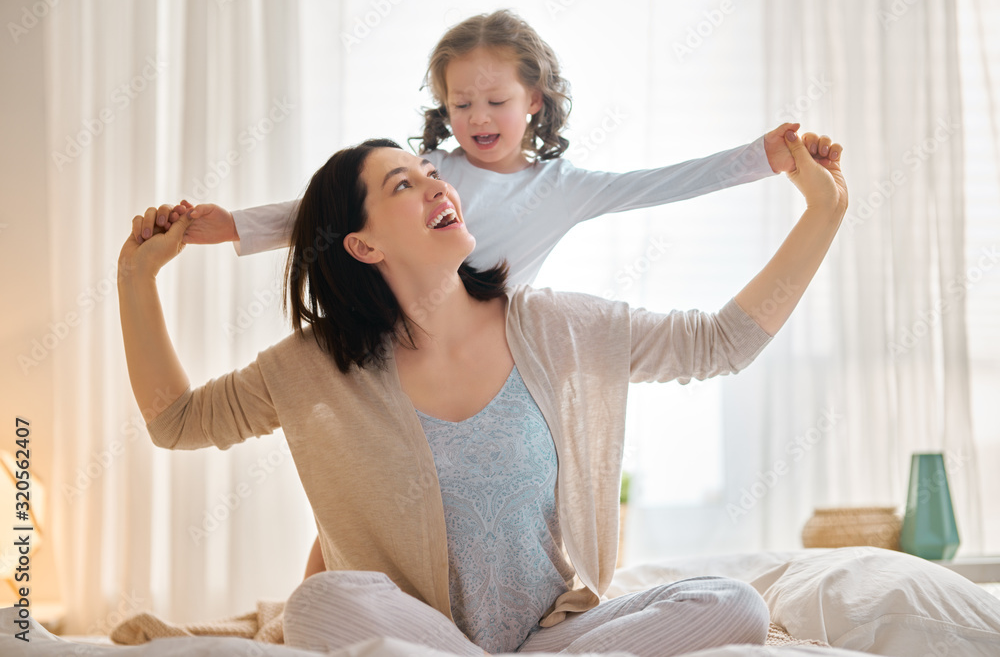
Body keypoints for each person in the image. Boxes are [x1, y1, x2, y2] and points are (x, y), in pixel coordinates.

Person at [118, 126, 847, 656]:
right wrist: (135, 279)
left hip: (551, 637)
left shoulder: (555, 326)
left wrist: (824, 213)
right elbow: (177, 422)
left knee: (734, 602)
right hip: (417, 634)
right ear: (363, 245)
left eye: (431, 172)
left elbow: (719, 342)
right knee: (320, 600)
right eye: (403, 183)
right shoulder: (316, 368)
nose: (439, 184)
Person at [135, 9, 808, 287]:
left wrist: (761, 157)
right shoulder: (431, 174)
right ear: (443, 107)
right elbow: (330, 209)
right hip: (399, 344)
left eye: (496, 102)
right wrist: (227, 227)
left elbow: (663, 182)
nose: (478, 118)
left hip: (486, 367)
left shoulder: (565, 187)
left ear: (535, 101)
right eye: (461, 105)